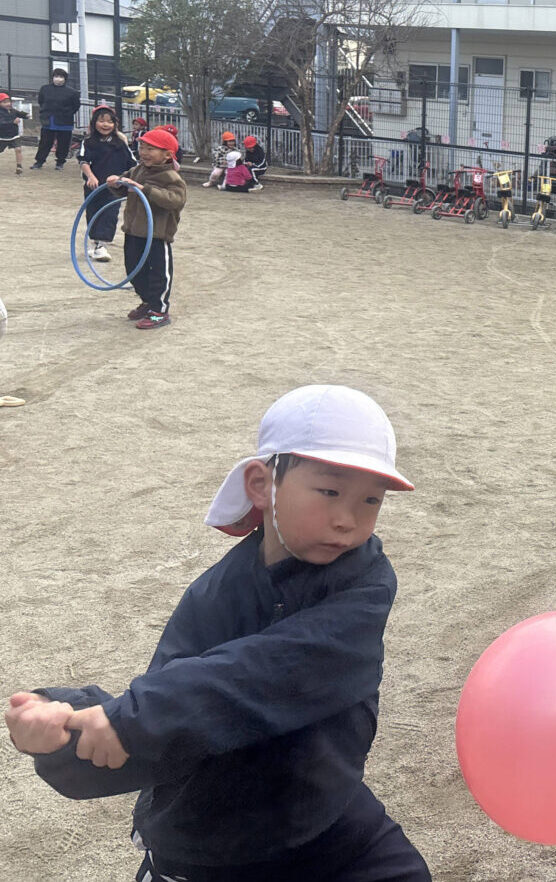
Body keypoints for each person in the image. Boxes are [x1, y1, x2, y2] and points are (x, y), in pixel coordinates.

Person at [4, 384, 432, 882]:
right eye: (330, 492)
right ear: (262, 485)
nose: (347, 520)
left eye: (371, 500)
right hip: (216, 847)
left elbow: (272, 670)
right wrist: (64, 728)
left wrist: (132, 719)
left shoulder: (365, 582)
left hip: (322, 815)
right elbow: (166, 718)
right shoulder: (214, 596)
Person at [106, 128, 187, 330]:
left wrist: (145, 189)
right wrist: (116, 183)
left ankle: (160, 310)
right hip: (133, 232)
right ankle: (148, 302)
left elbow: (175, 200)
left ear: (167, 154)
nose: (144, 152)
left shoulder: (171, 177)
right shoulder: (137, 170)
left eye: (151, 149)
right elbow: (124, 186)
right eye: (142, 147)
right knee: (134, 271)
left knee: (159, 274)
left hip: (157, 234)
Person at [77, 105, 136, 263]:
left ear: (115, 124)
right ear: (94, 122)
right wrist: (90, 177)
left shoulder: (120, 143)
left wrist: (127, 179)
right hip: (94, 187)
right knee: (93, 213)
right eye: (101, 121)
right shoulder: (88, 142)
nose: (105, 125)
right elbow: (83, 161)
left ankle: (101, 245)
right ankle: (96, 243)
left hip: (115, 187)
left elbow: (132, 163)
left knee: (110, 214)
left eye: (110, 122)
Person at [31, 67, 81, 171]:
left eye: (61, 76)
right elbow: (41, 101)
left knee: (64, 143)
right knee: (45, 142)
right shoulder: (45, 89)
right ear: (52, 77)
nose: (58, 79)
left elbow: (76, 105)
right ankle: (39, 161)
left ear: (65, 79)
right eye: (56, 76)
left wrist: (68, 113)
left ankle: (60, 162)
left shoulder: (72, 92)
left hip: (65, 121)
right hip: (49, 120)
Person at [0, 93, 31, 175]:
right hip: (2, 137)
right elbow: (1, 123)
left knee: (18, 149)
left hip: (14, 135)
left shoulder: (12, 110)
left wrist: (26, 115)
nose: (8, 104)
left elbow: (19, 113)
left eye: (8, 101)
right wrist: (12, 122)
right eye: (4, 102)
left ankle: (19, 166)